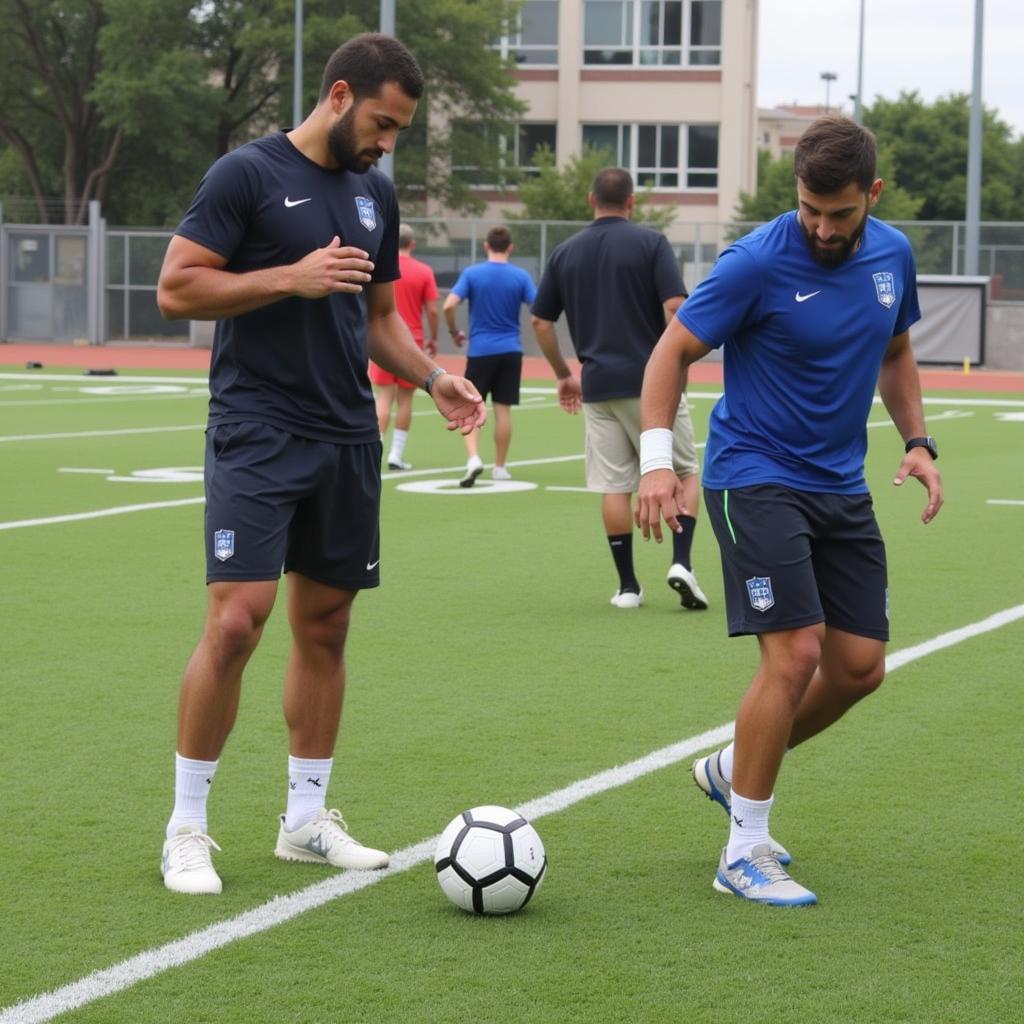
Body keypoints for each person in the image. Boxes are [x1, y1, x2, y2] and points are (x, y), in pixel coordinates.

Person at [154, 33, 485, 895]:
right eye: (381, 122)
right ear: (339, 96)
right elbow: (178, 286)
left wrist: (435, 375)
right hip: (258, 426)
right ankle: (186, 826)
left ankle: (305, 820)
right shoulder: (245, 176)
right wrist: (286, 278)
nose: (387, 143)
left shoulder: (376, 193)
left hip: (346, 434)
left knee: (327, 627)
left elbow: (379, 321)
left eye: (399, 130)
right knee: (236, 622)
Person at [635, 116, 943, 906]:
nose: (822, 226)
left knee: (859, 667)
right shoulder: (757, 262)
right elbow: (671, 351)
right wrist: (657, 465)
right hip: (755, 475)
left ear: (872, 195)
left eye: (840, 213)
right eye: (810, 208)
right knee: (796, 654)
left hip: (841, 483)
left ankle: (733, 770)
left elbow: (896, 352)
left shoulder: (893, 256)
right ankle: (742, 849)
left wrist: (917, 440)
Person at [531, 167, 707, 611]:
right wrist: (677, 364)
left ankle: (628, 586)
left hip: (597, 384)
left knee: (614, 484)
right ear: (631, 203)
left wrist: (563, 374)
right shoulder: (651, 243)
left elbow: (540, 321)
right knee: (685, 470)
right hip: (652, 382)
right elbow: (676, 306)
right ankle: (681, 563)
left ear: (592, 200)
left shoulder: (565, 251)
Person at [443, 226, 536, 486]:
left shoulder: (473, 273)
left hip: (481, 350)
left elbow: (449, 305)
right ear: (510, 247)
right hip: (511, 350)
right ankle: (500, 467)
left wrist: (454, 331)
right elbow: (537, 310)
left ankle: (473, 458)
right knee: (503, 410)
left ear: (486, 246)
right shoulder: (521, 276)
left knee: (471, 407)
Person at [369, 222, 440, 470]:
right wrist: (434, 336)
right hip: (412, 341)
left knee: (384, 397)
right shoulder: (424, 271)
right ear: (412, 244)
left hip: (382, 338)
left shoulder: (382, 266)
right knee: (406, 400)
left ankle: (376, 450)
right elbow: (432, 308)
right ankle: (396, 455)